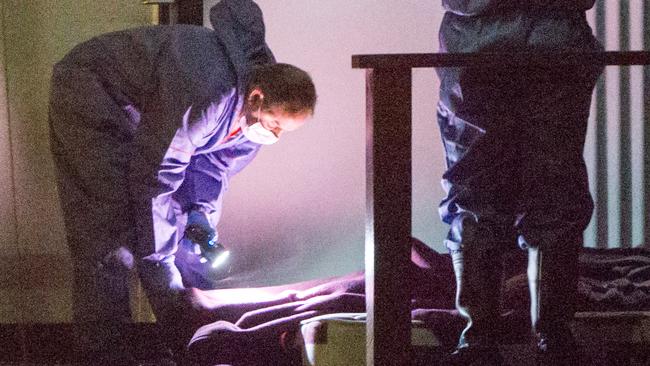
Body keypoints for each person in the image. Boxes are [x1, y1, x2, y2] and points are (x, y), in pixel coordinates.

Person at [48, 0, 316, 364]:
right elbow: (155, 179)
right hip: (92, 88)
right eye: (275, 125)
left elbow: (211, 166)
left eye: (285, 131)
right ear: (256, 97)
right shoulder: (207, 93)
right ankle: (104, 354)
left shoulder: (251, 118)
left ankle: (186, 337)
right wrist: (160, 268)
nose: (275, 135)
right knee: (107, 227)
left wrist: (198, 217)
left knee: (176, 231)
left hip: (145, 109)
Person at [435, 1, 602, 365]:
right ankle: (551, 334)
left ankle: (478, 339)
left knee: (474, 189)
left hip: (477, 39)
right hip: (552, 38)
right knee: (554, 187)